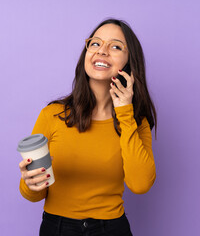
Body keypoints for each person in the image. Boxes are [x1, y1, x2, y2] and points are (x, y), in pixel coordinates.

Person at [18, 18, 157, 236]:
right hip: (57, 228)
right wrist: (30, 184)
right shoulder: (53, 115)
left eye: (115, 46)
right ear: (86, 54)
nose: (102, 51)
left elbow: (140, 185)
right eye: (95, 43)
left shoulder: (136, 123)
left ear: (129, 63)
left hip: (112, 229)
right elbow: (33, 195)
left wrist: (125, 113)